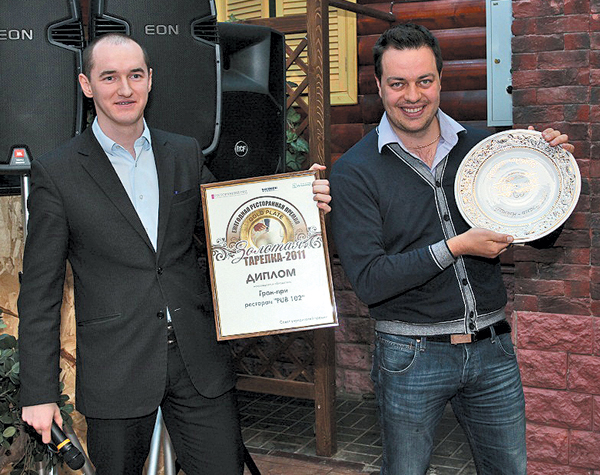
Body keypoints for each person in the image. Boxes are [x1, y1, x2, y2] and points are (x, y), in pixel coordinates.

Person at [17, 33, 331, 475]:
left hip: (198, 362)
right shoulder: (57, 171)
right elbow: (40, 293)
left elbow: (233, 229)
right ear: (87, 85)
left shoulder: (183, 152)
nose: (124, 89)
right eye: (109, 77)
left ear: (150, 80)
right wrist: (38, 392)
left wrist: (299, 202)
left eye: (135, 75)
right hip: (117, 368)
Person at [329, 23, 574, 475]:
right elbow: (370, 281)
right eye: (398, 83)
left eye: (424, 80)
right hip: (409, 356)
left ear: (440, 79)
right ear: (379, 86)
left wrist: (547, 173)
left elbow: (539, 236)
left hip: (492, 349)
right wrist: (456, 246)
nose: (412, 95)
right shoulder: (354, 172)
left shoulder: (485, 151)